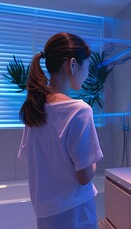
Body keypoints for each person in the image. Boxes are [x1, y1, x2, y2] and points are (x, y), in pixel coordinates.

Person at [18, 32, 103, 229]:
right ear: (73, 64)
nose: (87, 73)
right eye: (87, 66)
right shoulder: (79, 111)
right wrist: (93, 166)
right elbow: (84, 177)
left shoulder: (34, 108)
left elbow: (30, 158)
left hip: (45, 213)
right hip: (75, 212)